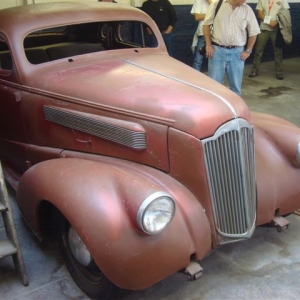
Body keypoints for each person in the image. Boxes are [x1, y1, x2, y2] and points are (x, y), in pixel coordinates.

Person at [202, 0, 260, 96]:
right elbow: (206, 25)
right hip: (217, 52)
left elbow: (254, 32)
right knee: (214, 87)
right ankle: (216, 110)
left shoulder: (247, 10)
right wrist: (208, 45)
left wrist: (248, 51)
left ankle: (234, 109)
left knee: (236, 88)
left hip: (237, 54)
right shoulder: (216, 5)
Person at [249, 0, 290, 80]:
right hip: (264, 29)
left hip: (277, 29)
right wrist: (269, 23)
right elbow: (260, 14)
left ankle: (279, 72)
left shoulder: (283, 0)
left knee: (278, 51)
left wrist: (276, 22)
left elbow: (286, 14)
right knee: (258, 50)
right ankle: (254, 70)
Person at [190, 0, 212, 71]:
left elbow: (220, 13)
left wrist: (211, 3)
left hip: (217, 35)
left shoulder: (218, 2)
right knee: (198, 60)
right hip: (202, 34)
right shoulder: (199, 1)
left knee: (215, 60)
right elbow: (197, 17)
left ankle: (213, 80)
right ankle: (194, 80)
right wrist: (212, 15)